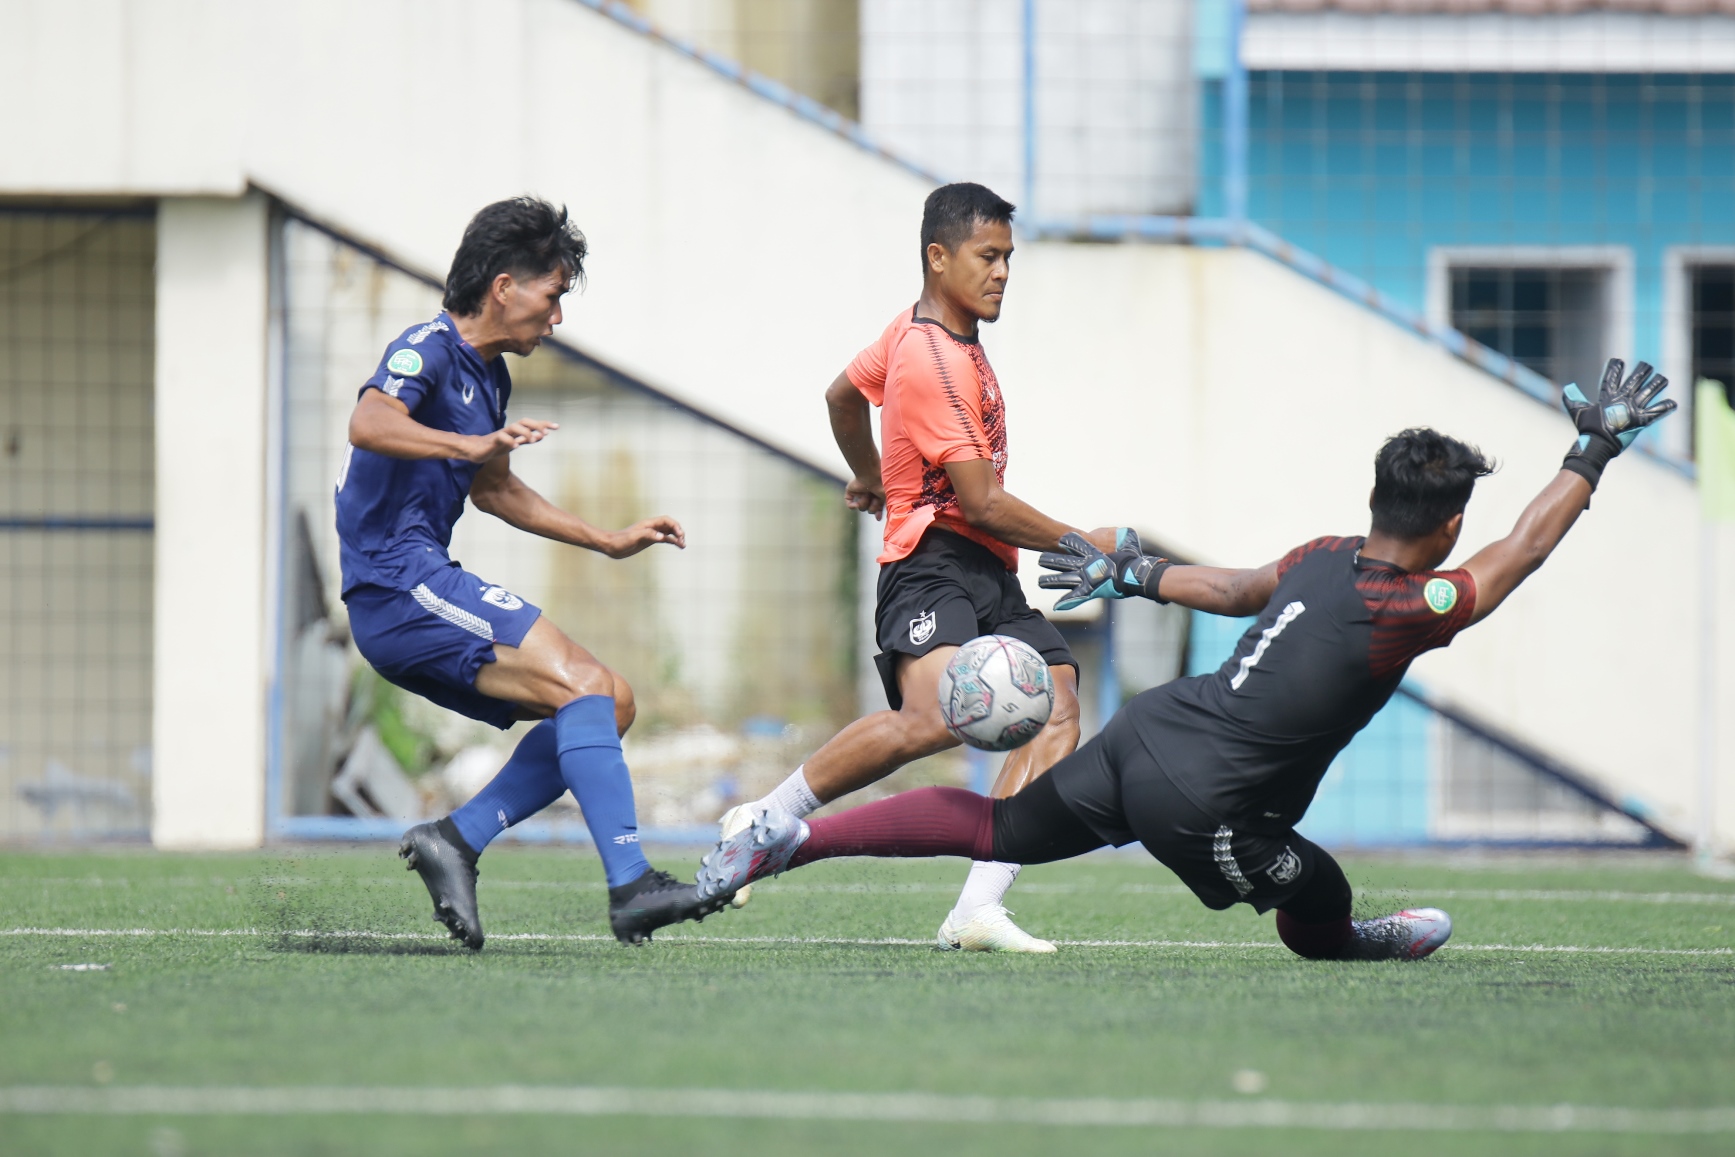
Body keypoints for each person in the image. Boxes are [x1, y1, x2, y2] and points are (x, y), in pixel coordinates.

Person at [693, 361, 1676, 961]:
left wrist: (1132, 570)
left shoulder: (1321, 557)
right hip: (1206, 804)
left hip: (1148, 731)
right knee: (1320, 896)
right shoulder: (1414, 605)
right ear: (1450, 522)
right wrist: (1590, 450)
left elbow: (1238, 586)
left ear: (1375, 499)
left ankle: (786, 837)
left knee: (999, 825)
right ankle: (1347, 940)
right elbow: (1523, 551)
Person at [716, 182, 1130, 953]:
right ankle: (764, 818)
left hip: (985, 568)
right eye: (987, 256)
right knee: (931, 717)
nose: (1002, 272)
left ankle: (976, 907)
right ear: (937, 258)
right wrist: (1084, 545)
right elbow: (981, 501)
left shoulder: (923, 333)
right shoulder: (931, 360)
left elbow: (842, 395)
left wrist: (869, 471)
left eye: (1008, 257)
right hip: (931, 561)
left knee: (1060, 705)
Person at [334, 196, 720, 948]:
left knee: (610, 700)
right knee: (582, 683)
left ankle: (457, 838)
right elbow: (369, 421)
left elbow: (497, 488)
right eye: (553, 295)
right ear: (504, 285)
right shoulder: (427, 347)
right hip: (395, 584)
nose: (558, 317)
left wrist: (605, 539)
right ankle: (632, 885)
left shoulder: (491, 379)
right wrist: (463, 444)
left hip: (421, 582)